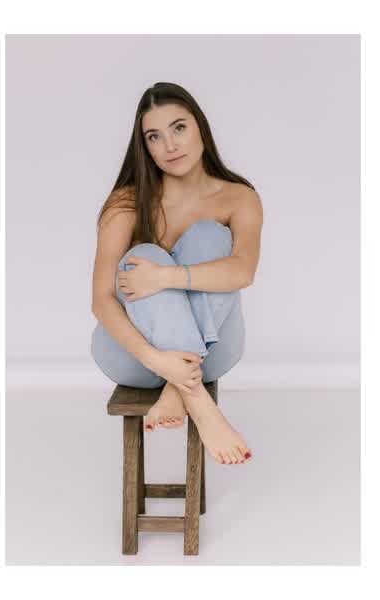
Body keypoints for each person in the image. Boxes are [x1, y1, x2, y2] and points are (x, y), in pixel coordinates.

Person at [91, 82, 263, 466]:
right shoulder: (127, 202)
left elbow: (243, 271)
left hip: (214, 350)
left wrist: (163, 277)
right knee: (143, 255)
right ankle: (196, 399)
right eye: (154, 136)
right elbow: (101, 300)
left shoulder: (238, 198)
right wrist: (157, 360)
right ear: (145, 147)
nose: (169, 145)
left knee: (209, 236)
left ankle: (178, 387)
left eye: (179, 128)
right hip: (133, 355)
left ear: (200, 126)